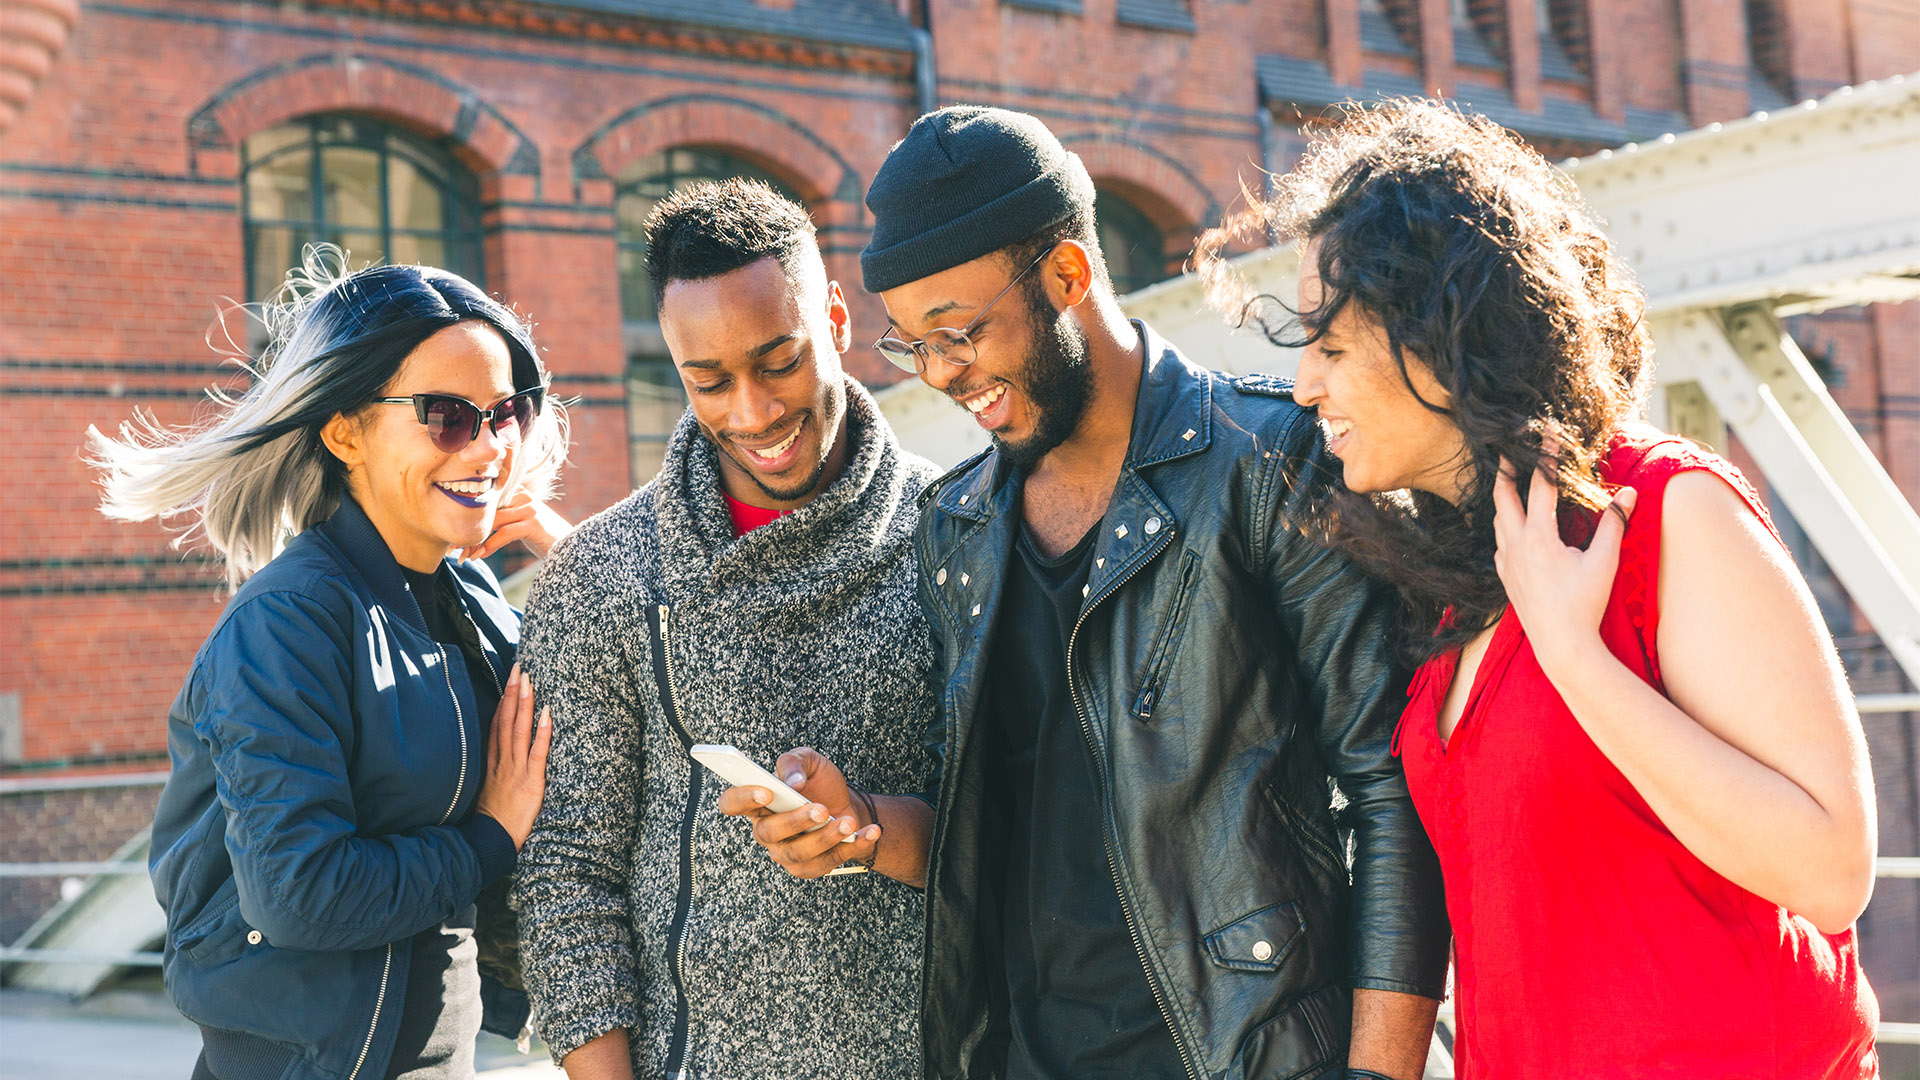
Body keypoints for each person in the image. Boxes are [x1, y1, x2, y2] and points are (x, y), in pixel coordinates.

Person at [734, 106, 1449, 1080]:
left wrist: (1378, 1073)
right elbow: (1002, 817)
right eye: (911, 346)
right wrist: (859, 824)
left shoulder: (1267, 466)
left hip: (1241, 1055)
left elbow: (1393, 797)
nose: (943, 374)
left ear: (1068, 276)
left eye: (960, 332)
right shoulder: (959, 525)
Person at [1195, 99, 1881, 1076]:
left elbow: (1830, 870)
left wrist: (1577, 658)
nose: (1305, 386)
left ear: (1440, 333)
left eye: (1333, 346)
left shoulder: (1662, 512)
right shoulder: (1453, 588)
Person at [88, 252, 571, 1080]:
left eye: (507, 413)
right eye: (448, 416)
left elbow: (635, 724)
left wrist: (574, 556)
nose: (490, 446)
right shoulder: (290, 622)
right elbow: (299, 892)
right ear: (345, 430)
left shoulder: (471, 597)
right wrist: (489, 839)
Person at [508, 178, 940, 1080]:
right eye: (710, 380)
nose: (753, 412)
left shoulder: (957, 533)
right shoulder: (603, 574)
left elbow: (1025, 829)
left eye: (780, 362)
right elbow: (565, 876)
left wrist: (868, 826)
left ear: (836, 318)